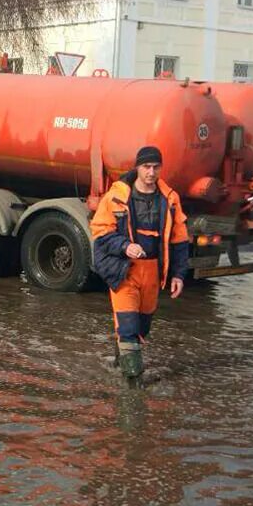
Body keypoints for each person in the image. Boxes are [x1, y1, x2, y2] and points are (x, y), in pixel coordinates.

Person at [90, 146, 190, 383]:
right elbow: (100, 232)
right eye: (146, 166)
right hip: (125, 271)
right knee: (127, 327)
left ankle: (119, 361)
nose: (151, 172)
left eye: (156, 167)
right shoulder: (116, 196)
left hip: (153, 273)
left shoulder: (170, 199)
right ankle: (133, 387)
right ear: (137, 167)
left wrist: (178, 275)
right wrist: (125, 246)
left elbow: (179, 240)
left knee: (141, 329)